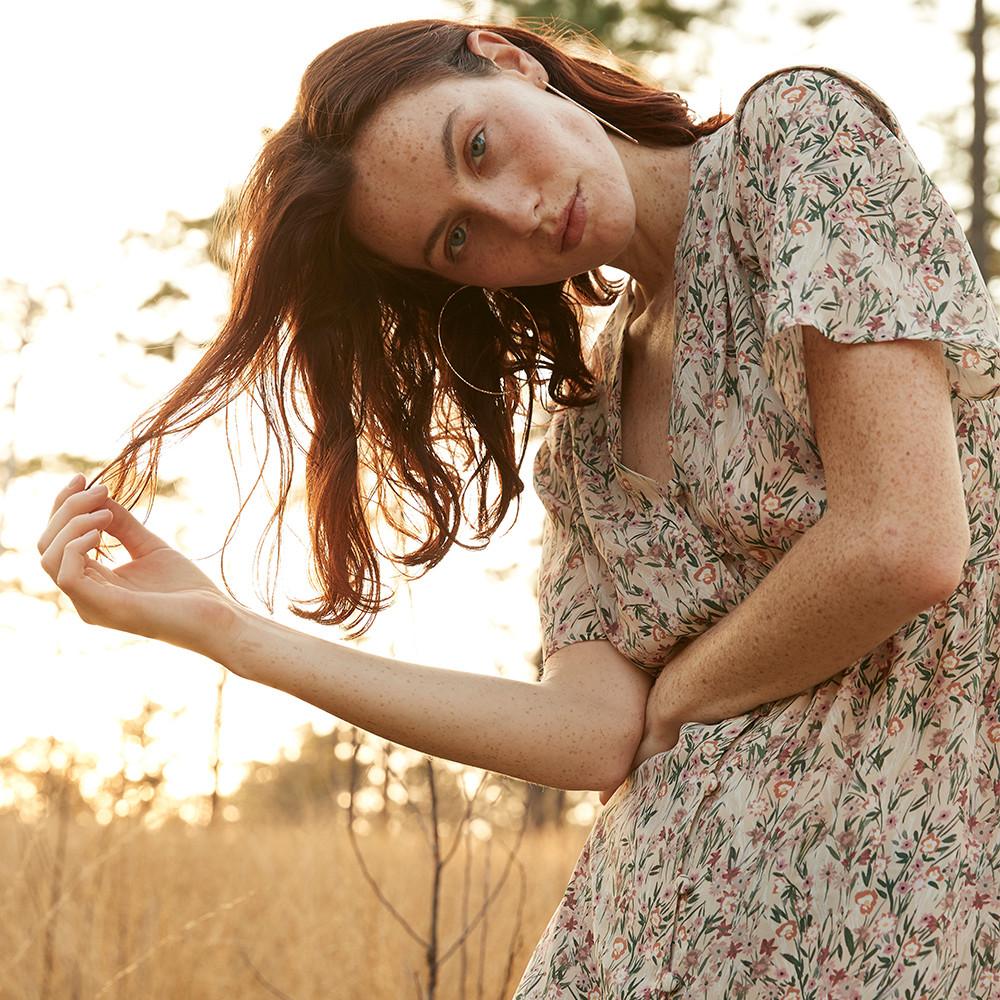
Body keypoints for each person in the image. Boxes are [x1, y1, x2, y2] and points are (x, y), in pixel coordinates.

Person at [36, 16, 1000, 998]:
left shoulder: (794, 142)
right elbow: (586, 735)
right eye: (456, 238)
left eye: (478, 147)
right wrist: (229, 632)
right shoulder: (584, 436)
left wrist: (687, 690)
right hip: (639, 939)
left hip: (902, 919)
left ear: (509, 60)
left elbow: (903, 539)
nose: (514, 213)